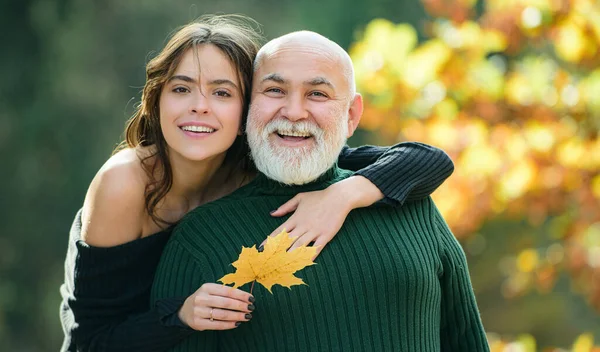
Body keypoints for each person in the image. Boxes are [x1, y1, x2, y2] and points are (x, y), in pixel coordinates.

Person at [59, 17, 454, 352]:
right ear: (156, 99)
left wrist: (342, 195)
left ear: (248, 108)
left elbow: (428, 160)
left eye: (222, 92)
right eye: (181, 89)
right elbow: (88, 341)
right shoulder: (125, 183)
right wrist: (177, 315)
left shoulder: (259, 163)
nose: (200, 105)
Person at [151, 30, 489, 352]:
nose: (294, 112)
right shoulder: (201, 237)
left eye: (318, 93)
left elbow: (466, 341)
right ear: (247, 107)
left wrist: (343, 195)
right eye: (274, 91)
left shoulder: (410, 205)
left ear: (352, 115)